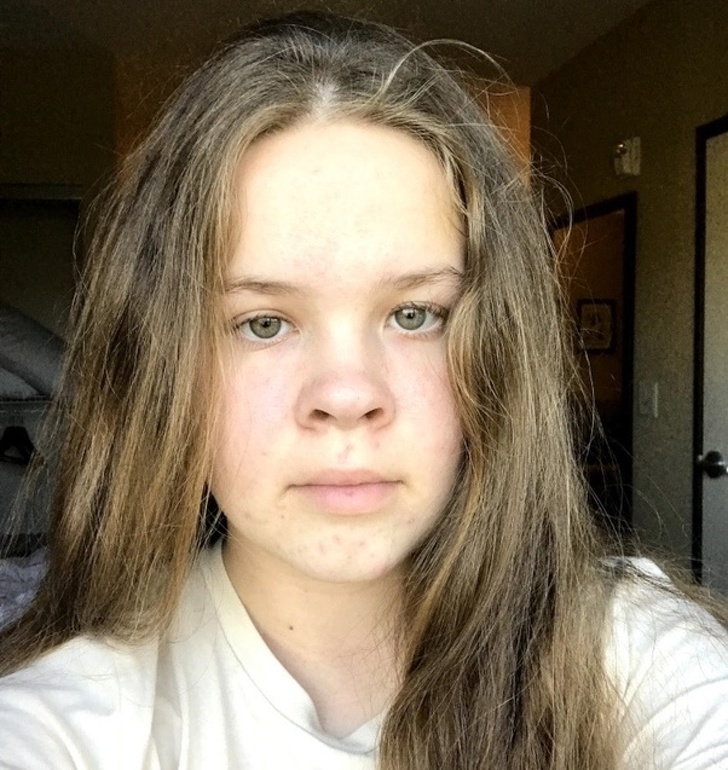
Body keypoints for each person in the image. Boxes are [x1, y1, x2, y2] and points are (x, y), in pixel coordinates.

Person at [0, 10, 727, 770]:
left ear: (498, 352)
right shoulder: (77, 711)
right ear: (165, 364)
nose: (347, 395)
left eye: (415, 315)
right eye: (263, 323)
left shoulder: (631, 658)